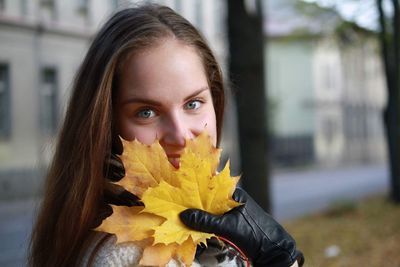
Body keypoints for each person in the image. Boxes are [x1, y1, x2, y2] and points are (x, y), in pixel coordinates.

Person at [29, 3, 304, 267]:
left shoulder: (201, 228)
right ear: (105, 124)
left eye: (193, 104)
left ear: (216, 100)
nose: (180, 135)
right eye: (147, 112)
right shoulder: (133, 254)